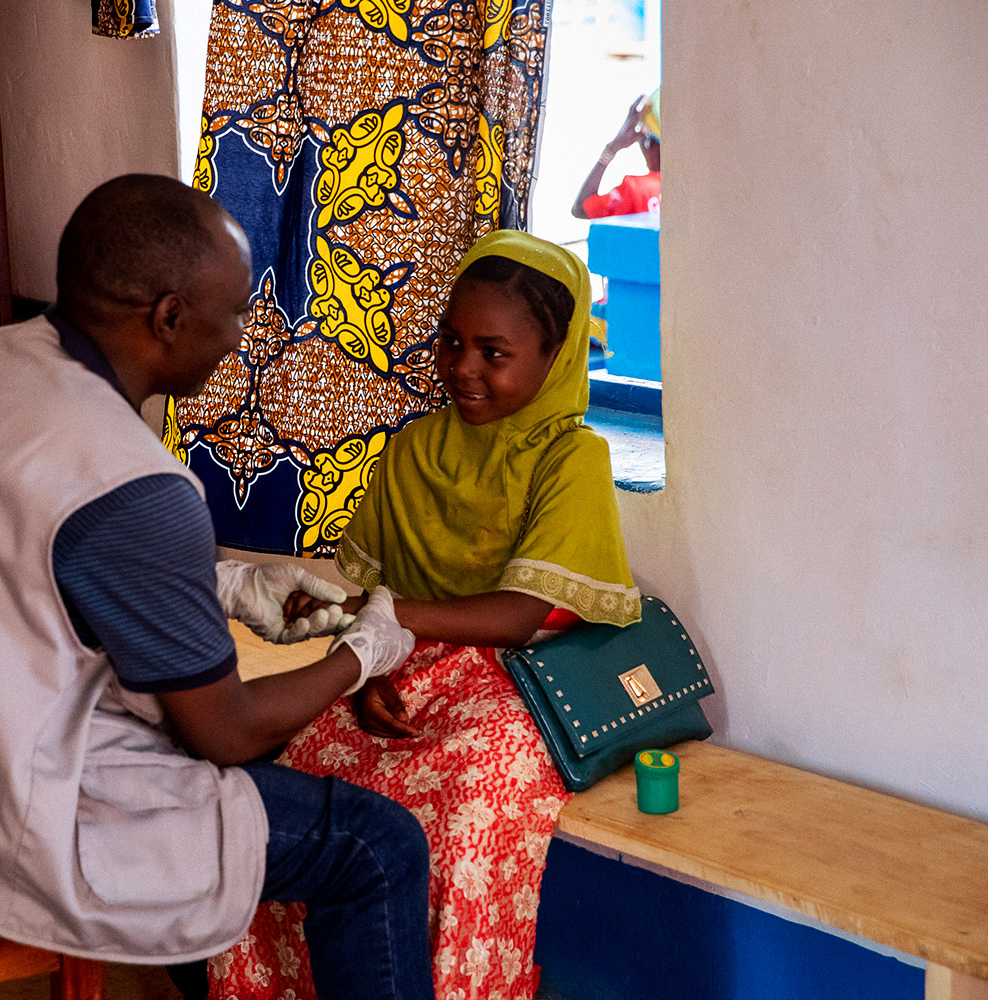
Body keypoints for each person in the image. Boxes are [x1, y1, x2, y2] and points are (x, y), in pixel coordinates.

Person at [0, 174, 435, 1000]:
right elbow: (223, 733)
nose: (240, 336)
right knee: (376, 846)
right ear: (167, 317)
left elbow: (26, 563)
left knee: (208, 784)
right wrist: (361, 654)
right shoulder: (136, 486)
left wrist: (219, 585)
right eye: (234, 310)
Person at [207, 230, 644, 1000]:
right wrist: (363, 663)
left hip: (519, 682)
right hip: (403, 660)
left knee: (459, 811)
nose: (463, 370)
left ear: (555, 359)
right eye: (450, 343)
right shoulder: (414, 448)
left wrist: (384, 626)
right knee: (305, 777)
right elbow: (357, 594)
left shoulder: (570, 458)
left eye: (493, 352)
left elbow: (516, 617)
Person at [571, 87, 661, 220]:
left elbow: (580, 209)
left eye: (642, 138)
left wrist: (611, 149)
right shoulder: (695, 186)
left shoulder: (637, 190)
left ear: (650, 143)